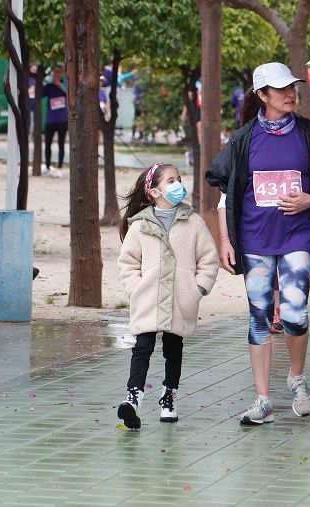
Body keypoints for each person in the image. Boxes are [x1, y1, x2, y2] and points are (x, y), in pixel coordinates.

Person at [206, 62, 310, 426]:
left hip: (298, 237)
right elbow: (226, 193)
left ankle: (297, 379)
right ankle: (263, 398)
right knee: (259, 318)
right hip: (254, 240)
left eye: (292, 87)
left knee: (295, 313)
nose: (290, 93)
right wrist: (225, 239)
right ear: (261, 95)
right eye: (280, 89)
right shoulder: (242, 140)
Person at [116, 163, 219, 429]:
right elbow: (127, 263)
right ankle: (133, 398)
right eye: (170, 181)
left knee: (173, 349)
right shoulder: (139, 226)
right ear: (153, 191)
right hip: (148, 298)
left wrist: (197, 290)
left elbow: (209, 259)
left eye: (179, 179)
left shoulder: (193, 221)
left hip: (181, 298)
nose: (177, 185)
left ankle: (169, 396)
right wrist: (136, 289)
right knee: (142, 348)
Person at [43, 64, 68, 177]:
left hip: (63, 120)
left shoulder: (66, 85)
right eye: (55, 72)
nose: (57, 74)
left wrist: (61, 86)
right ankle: (47, 167)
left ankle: (60, 167)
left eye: (59, 72)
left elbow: (70, 95)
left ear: (62, 73)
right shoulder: (49, 86)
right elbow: (41, 94)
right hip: (50, 120)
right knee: (47, 144)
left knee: (61, 144)